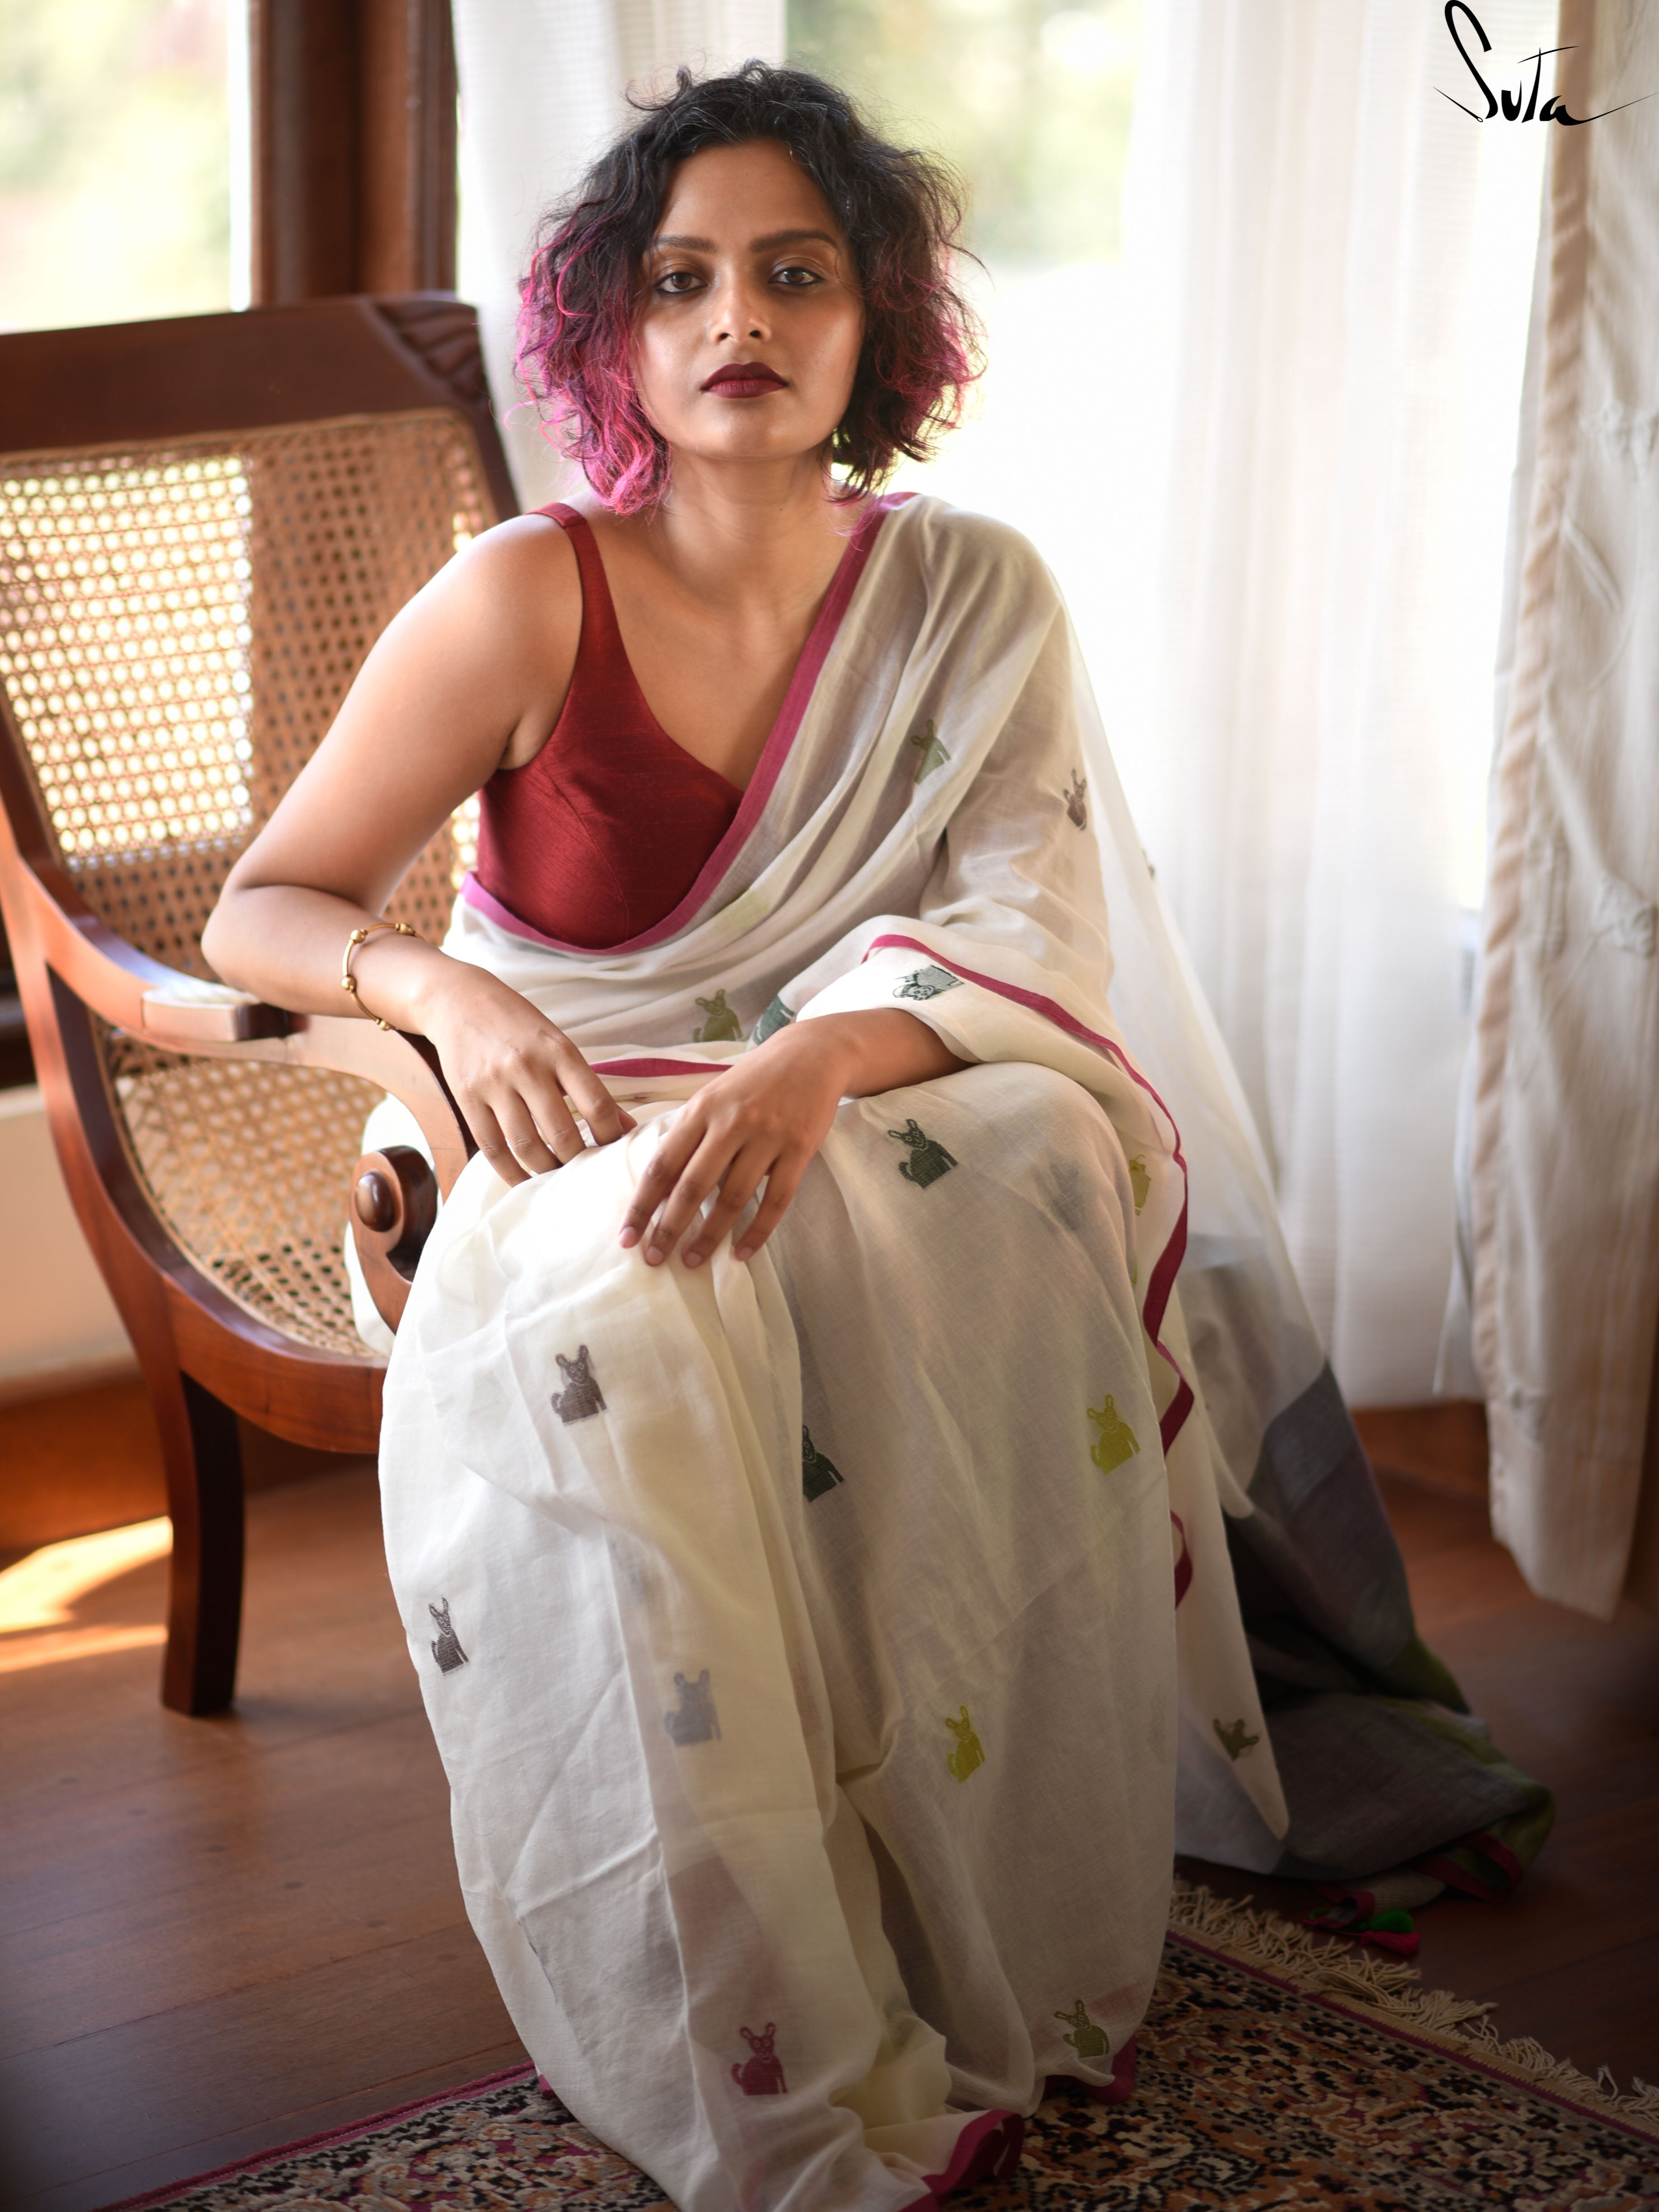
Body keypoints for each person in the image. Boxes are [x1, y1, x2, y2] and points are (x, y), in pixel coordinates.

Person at [203, 63, 1551, 2212]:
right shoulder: (528, 596)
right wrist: (450, 996)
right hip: (546, 1114)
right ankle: (756, 2006)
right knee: (640, 1310)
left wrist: (819, 1059)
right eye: (681, 280)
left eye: (795, 272)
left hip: (846, 1098)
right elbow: (264, 907)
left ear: (879, 319)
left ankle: (949, 1882)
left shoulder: (976, 594)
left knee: (1040, 1167)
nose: (737, 315)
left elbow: (1027, 925)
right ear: (614, 334)